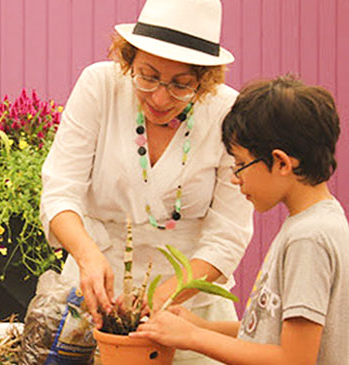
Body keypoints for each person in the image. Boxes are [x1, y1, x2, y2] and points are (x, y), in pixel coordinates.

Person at [40, 0, 253, 363]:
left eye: (181, 85)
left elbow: (228, 233)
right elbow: (60, 192)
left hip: (188, 315)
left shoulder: (227, 112)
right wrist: (88, 257)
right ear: (128, 59)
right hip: (94, 300)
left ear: (204, 81)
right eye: (148, 75)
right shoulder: (100, 86)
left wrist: (161, 299)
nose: (159, 96)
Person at [131, 75, 349, 364]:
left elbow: (294, 359)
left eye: (240, 164)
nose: (234, 178)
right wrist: (201, 326)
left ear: (282, 162)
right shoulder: (317, 222)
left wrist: (193, 338)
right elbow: (270, 334)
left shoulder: (308, 239)